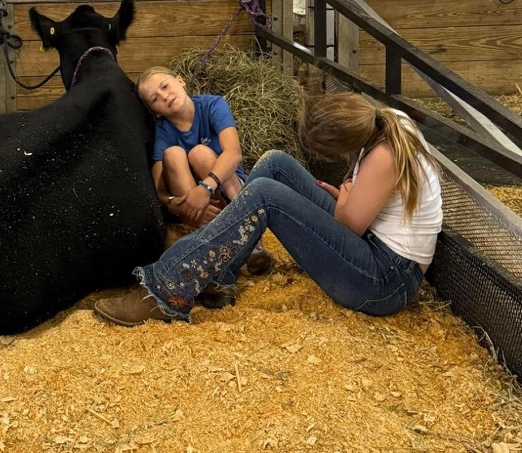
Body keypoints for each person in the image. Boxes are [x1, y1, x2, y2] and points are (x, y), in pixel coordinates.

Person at [94, 92, 443, 327]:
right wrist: (352, 194)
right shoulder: (384, 120)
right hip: (371, 242)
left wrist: (347, 197)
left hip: (384, 280)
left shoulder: (383, 154)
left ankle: (165, 292)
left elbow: (348, 225)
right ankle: (220, 276)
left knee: (264, 194)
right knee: (275, 164)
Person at [135, 67, 272, 277]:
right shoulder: (163, 130)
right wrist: (173, 202)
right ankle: (216, 243)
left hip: (231, 193)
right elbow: (158, 189)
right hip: (198, 209)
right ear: (155, 111)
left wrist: (204, 189)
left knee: (199, 153)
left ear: (180, 81)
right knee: (172, 154)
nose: (164, 96)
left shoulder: (212, 105)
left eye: (165, 86)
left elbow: (234, 154)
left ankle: (251, 235)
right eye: (155, 99)